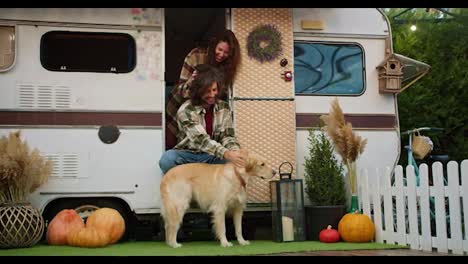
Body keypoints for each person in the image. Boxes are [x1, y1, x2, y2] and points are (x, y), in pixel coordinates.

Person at [159, 64, 244, 174]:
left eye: (214, 90)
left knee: (232, 161)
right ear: (198, 91)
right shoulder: (186, 110)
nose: (212, 94)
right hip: (189, 156)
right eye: (207, 91)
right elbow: (201, 141)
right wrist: (226, 153)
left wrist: (235, 152)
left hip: (212, 155)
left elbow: (227, 136)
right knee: (167, 159)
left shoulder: (223, 107)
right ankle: (187, 183)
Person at [165, 29, 241, 149]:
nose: (221, 55)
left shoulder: (228, 66)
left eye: (226, 52)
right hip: (180, 103)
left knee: (199, 142)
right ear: (213, 45)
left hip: (204, 106)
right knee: (172, 142)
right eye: (219, 49)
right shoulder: (196, 56)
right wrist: (191, 81)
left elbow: (221, 92)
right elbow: (181, 90)